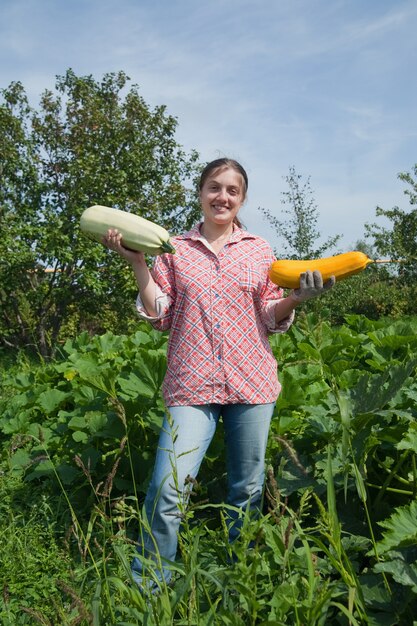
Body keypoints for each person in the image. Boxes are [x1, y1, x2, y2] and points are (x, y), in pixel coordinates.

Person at [103, 157, 334, 590]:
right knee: (168, 490)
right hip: (191, 385)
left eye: (232, 190)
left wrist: (297, 298)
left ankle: (237, 577)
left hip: (252, 383)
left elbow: (269, 314)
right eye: (214, 187)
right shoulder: (174, 248)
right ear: (200, 193)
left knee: (246, 490)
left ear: (242, 198)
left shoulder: (259, 250)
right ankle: (151, 587)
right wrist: (138, 264)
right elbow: (160, 315)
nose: (222, 196)